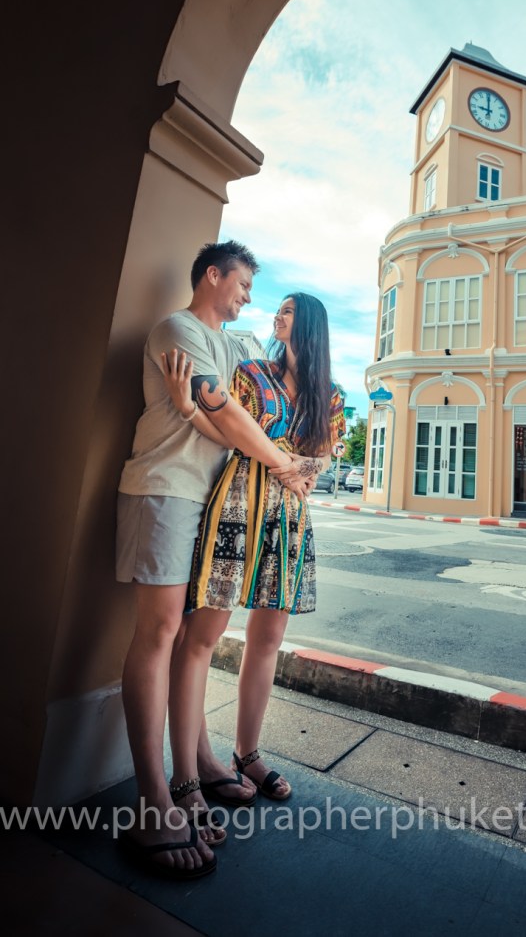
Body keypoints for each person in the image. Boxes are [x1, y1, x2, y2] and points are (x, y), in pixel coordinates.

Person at [116, 241, 315, 880]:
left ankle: (199, 763)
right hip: (167, 488)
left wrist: (208, 411)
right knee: (161, 632)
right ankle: (154, 803)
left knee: (195, 635)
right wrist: (281, 463)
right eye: (243, 285)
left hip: (211, 499)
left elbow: (237, 411)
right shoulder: (177, 329)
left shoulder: (234, 347)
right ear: (212, 276)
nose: (249, 298)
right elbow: (224, 409)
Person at [162, 292, 344, 818]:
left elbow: (321, 466)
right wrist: (186, 408)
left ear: (307, 325)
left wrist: (291, 467)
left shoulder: (329, 394)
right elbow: (226, 434)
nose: (276, 316)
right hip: (238, 506)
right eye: (278, 310)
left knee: (268, 639)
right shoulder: (249, 373)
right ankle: (187, 775)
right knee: (204, 635)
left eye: (287, 311)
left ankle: (248, 755)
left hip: (290, 520)